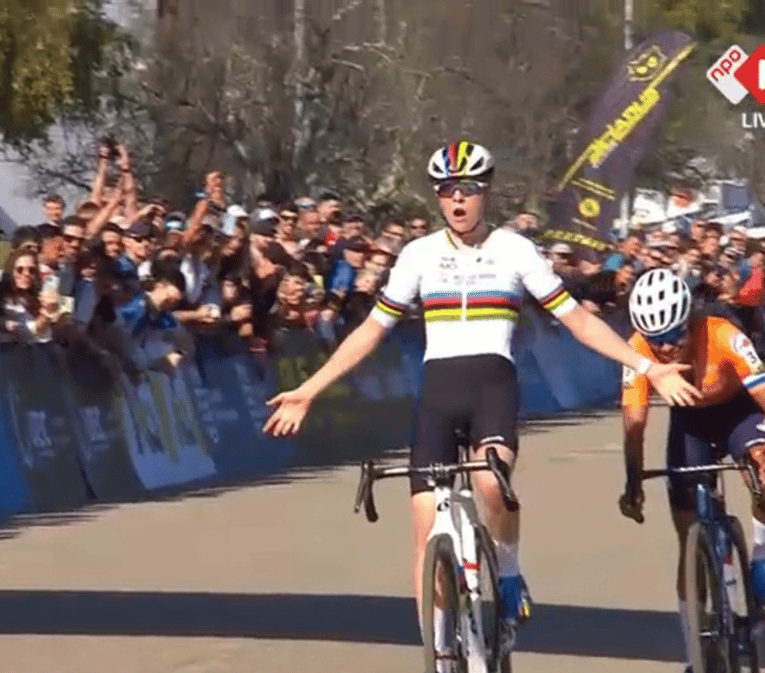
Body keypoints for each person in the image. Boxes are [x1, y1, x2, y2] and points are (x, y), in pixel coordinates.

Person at [263, 141, 701, 654]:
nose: (457, 200)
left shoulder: (515, 251)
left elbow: (578, 320)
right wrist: (309, 390)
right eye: (447, 190)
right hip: (438, 395)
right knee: (425, 526)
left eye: (467, 189)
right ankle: (441, 646)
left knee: (492, 484)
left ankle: (509, 571)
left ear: (485, 193)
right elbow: (370, 331)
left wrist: (647, 367)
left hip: (493, 386)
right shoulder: (417, 255)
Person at [616, 268, 765, 673]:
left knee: (763, 478)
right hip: (690, 425)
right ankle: (693, 649)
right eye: (656, 341)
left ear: (689, 320)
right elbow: (634, 427)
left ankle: (761, 553)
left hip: (739, 414)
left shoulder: (724, 335)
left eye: (674, 335)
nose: (667, 348)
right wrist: (632, 483)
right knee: (687, 535)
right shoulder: (637, 349)